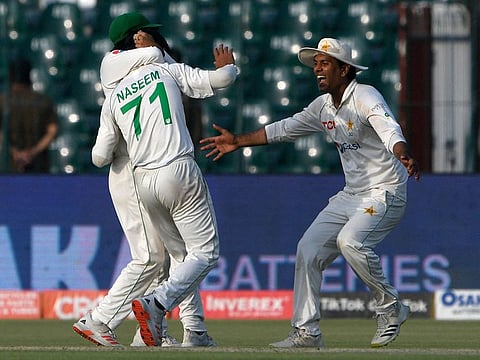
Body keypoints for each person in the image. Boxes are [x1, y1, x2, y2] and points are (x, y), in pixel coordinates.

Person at [200, 37, 420, 348]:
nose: (317, 68)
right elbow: (285, 128)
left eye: (324, 63)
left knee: (350, 242)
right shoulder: (323, 107)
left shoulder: (366, 96)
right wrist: (239, 141)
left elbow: (388, 128)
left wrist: (402, 152)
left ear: (344, 69)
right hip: (351, 195)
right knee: (308, 250)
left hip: (385, 192)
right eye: (315, 64)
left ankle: (390, 307)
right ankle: (306, 332)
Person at [73, 12, 221, 347]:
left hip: (145, 168)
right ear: (135, 38)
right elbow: (100, 156)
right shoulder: (116, 66)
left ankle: (186, 330)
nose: (153, 42)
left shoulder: (127, 78)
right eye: (147, 35)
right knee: (152, 258)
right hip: (131, 171)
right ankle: (99, 320)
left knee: (177, 253)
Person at [0, 59, 58, 173]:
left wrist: (14, 152)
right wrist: (32, 153)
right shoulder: (43, 101)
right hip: (38, 166)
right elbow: (52, 131)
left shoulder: (2, 101)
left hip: (9, 167)